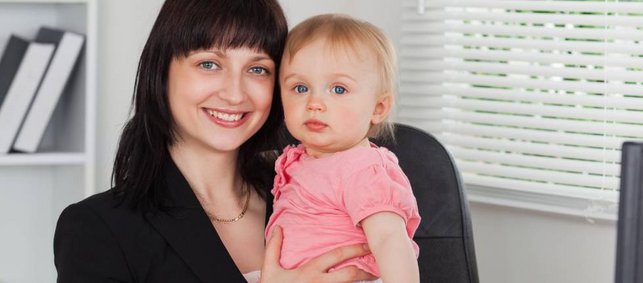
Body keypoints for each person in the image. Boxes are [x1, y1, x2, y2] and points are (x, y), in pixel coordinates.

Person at [53, 1, 375, 282]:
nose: (234, 93)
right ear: (162, 70)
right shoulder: (98, 229)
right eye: (209, 64)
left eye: (258, 69)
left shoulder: (315, 194)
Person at [264, 14, 421, 283]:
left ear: (378, 108)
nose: (314, 102)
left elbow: (389, 240)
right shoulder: (299, 160)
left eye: (338, 89)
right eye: (300, 87)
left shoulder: (362, 168)